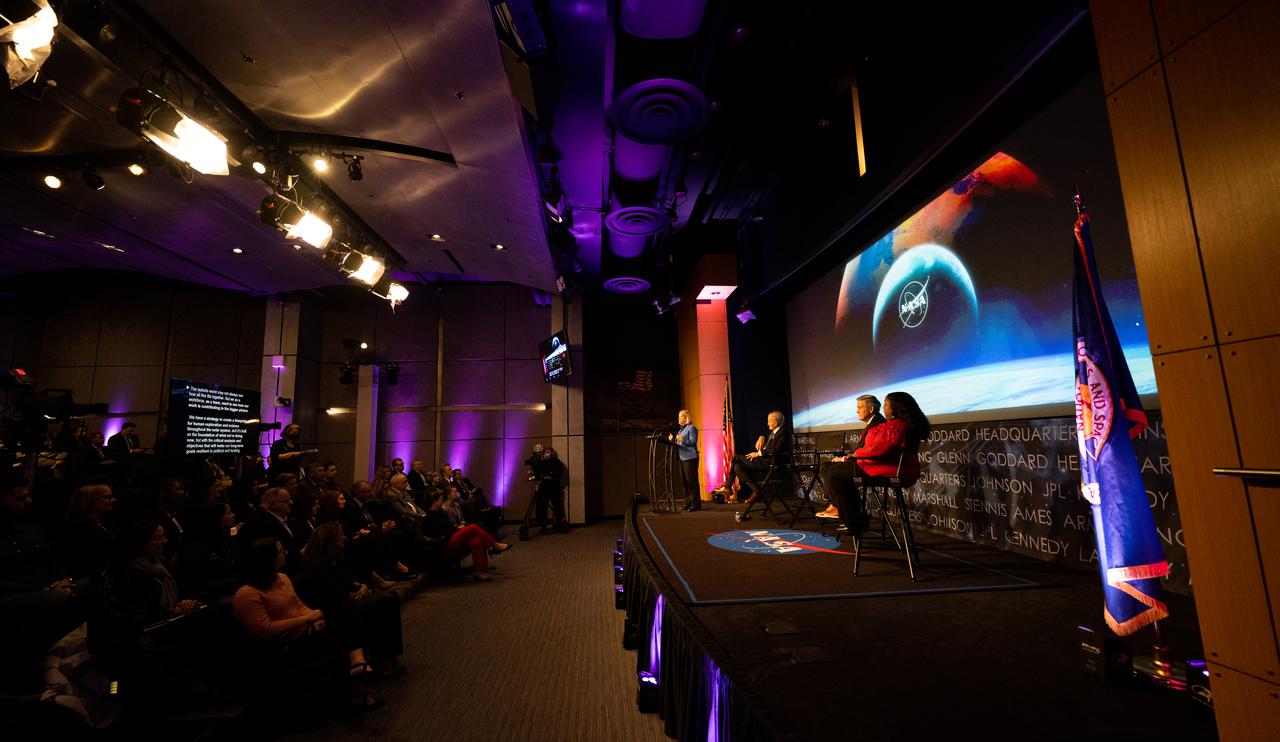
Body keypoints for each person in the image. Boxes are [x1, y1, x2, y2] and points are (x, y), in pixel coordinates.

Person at [232, 537, 384, 711]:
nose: (286, 553)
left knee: (349, 613)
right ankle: (358, 681)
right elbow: (264, 630)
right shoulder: (246, 594)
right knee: (346, 625)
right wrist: (307, 619)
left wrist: (314, 618)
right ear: (268, 558)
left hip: (305, 632)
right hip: (283, 645)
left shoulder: (281, 578)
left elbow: (298, 605)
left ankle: (358, 672)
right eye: (281, 551)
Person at [295, 523, 405, 678]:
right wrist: (358, 592)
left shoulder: (335, 559)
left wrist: (362, 588)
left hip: (346, 602)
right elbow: (334, 596)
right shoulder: (317, 565)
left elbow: (350, 583)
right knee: (384, 601)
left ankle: (388, 657)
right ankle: (385, 660)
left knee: (389, 598)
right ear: (332, 541)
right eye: (340, 536)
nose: (344, 538)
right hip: (333, 610)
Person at [822, 391, 930, 534]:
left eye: (886, 404)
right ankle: (855, 518)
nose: (883, 408)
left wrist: (852, 456)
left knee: (835, 474)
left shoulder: (896, 427)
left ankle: (853, 520)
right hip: (895, 468)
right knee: (835, 470)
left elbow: (876, 451)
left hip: (890, 470)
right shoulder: (904, 425)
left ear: (896, 407)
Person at [816, 395, 885, 520]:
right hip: (863, 461)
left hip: (870, 466)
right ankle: (837, 505)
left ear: (870, 409)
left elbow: (869, 451)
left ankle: (841, 507)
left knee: (831, 470)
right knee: (828, 466)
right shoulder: (874, 421)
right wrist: (846, 457)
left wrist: (845, 459)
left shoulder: (877, 424)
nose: (857, 411)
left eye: (860, 407)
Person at [421, 491, 510, 581]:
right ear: (434, 502)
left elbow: (449, 527)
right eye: (441, 500)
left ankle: (479, 572)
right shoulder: (430, 517)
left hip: (450, 537)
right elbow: (440, 533)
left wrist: (456, 529)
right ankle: (494, 545)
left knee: (475, 540)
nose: (442, 501)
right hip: (443, 543)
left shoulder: (440, 512)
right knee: (473, 527)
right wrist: (456, 530)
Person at [724, 411, 790, 521]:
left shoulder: (783, 433)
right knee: (737, 466)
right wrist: (761, 437)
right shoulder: (774, 432)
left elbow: (776, 450)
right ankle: (755, 491)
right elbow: (768, 441)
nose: (767, 423)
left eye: (769, 421)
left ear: (776, 422)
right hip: (765, 460)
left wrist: (758, 453)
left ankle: (728, 487)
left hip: (771, 463)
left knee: (736, 458)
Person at [59, 484, 117, 579]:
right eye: (107, 497)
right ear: (90, 499)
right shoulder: (78, 528)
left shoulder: (107, 522)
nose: (114, 500)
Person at [238, 487, 301, 573]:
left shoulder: (281, 516)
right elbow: (268, 558)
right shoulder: (260, 524)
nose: (291, 503)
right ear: (272, 504)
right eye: (286, 501)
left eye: (290, 499)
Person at [669, 409, 700, 511]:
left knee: (692, 482)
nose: (678, 418)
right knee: (684, 482)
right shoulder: (681, 430)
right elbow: (679, 443)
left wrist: (683, 440)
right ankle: (688, 502)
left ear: (686, 418)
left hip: (691, 458)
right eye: (678, 417)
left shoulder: (691, 428)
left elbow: (693, 442)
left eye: (680, 416)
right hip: (682, 458)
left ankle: (695, 505)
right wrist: (673, 440)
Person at [533, 447, 568, 533]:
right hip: (544, 487)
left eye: (548, 452)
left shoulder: (557, 463)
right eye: (545, 452)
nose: (546, 454)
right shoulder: (542, 462)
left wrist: (551, 476)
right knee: (542, 506)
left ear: (552, 453)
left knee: (557, 506)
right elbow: (536, 472)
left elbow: (559, 474)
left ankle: (559, 523)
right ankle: (543, 523)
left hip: (554, 487)